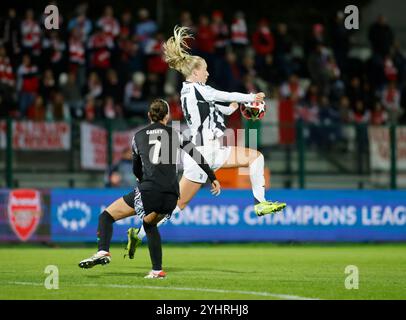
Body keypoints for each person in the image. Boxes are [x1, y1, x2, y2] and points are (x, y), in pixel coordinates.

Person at [126, 26, 286, 258]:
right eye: (206, 71)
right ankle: (260, 203)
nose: (208, 74)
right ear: (196, 72)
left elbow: (218, 105)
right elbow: (224, 95)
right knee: (255, 157)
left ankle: (138, 234)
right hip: (205, 150)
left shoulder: (190, 91)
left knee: (177, 207)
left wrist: (229, 108)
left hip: (205, 151)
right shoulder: (198, 89)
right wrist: (252, 97)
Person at [78, 99, 221, 279]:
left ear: (149, 116)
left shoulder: (138, 136)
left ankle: (103, 251)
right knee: (149, 224)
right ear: (167, 116)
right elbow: (197, 156)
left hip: (149, 191)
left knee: (106, 216)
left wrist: (140, 178)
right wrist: (213, 177)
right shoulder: (176, 134)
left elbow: (136, 168)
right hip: (171, 196)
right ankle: (157, 270)